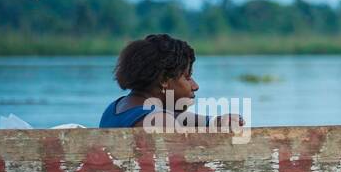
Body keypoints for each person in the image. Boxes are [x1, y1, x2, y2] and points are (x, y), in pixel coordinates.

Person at [100, 34, 242, 130]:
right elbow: (165, 118)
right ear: (163, 80)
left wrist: (212, 121)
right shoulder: (158, 121)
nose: (195, 86)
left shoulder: (114, 108)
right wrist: (215, 124)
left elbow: (173, 116)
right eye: (187, 77)